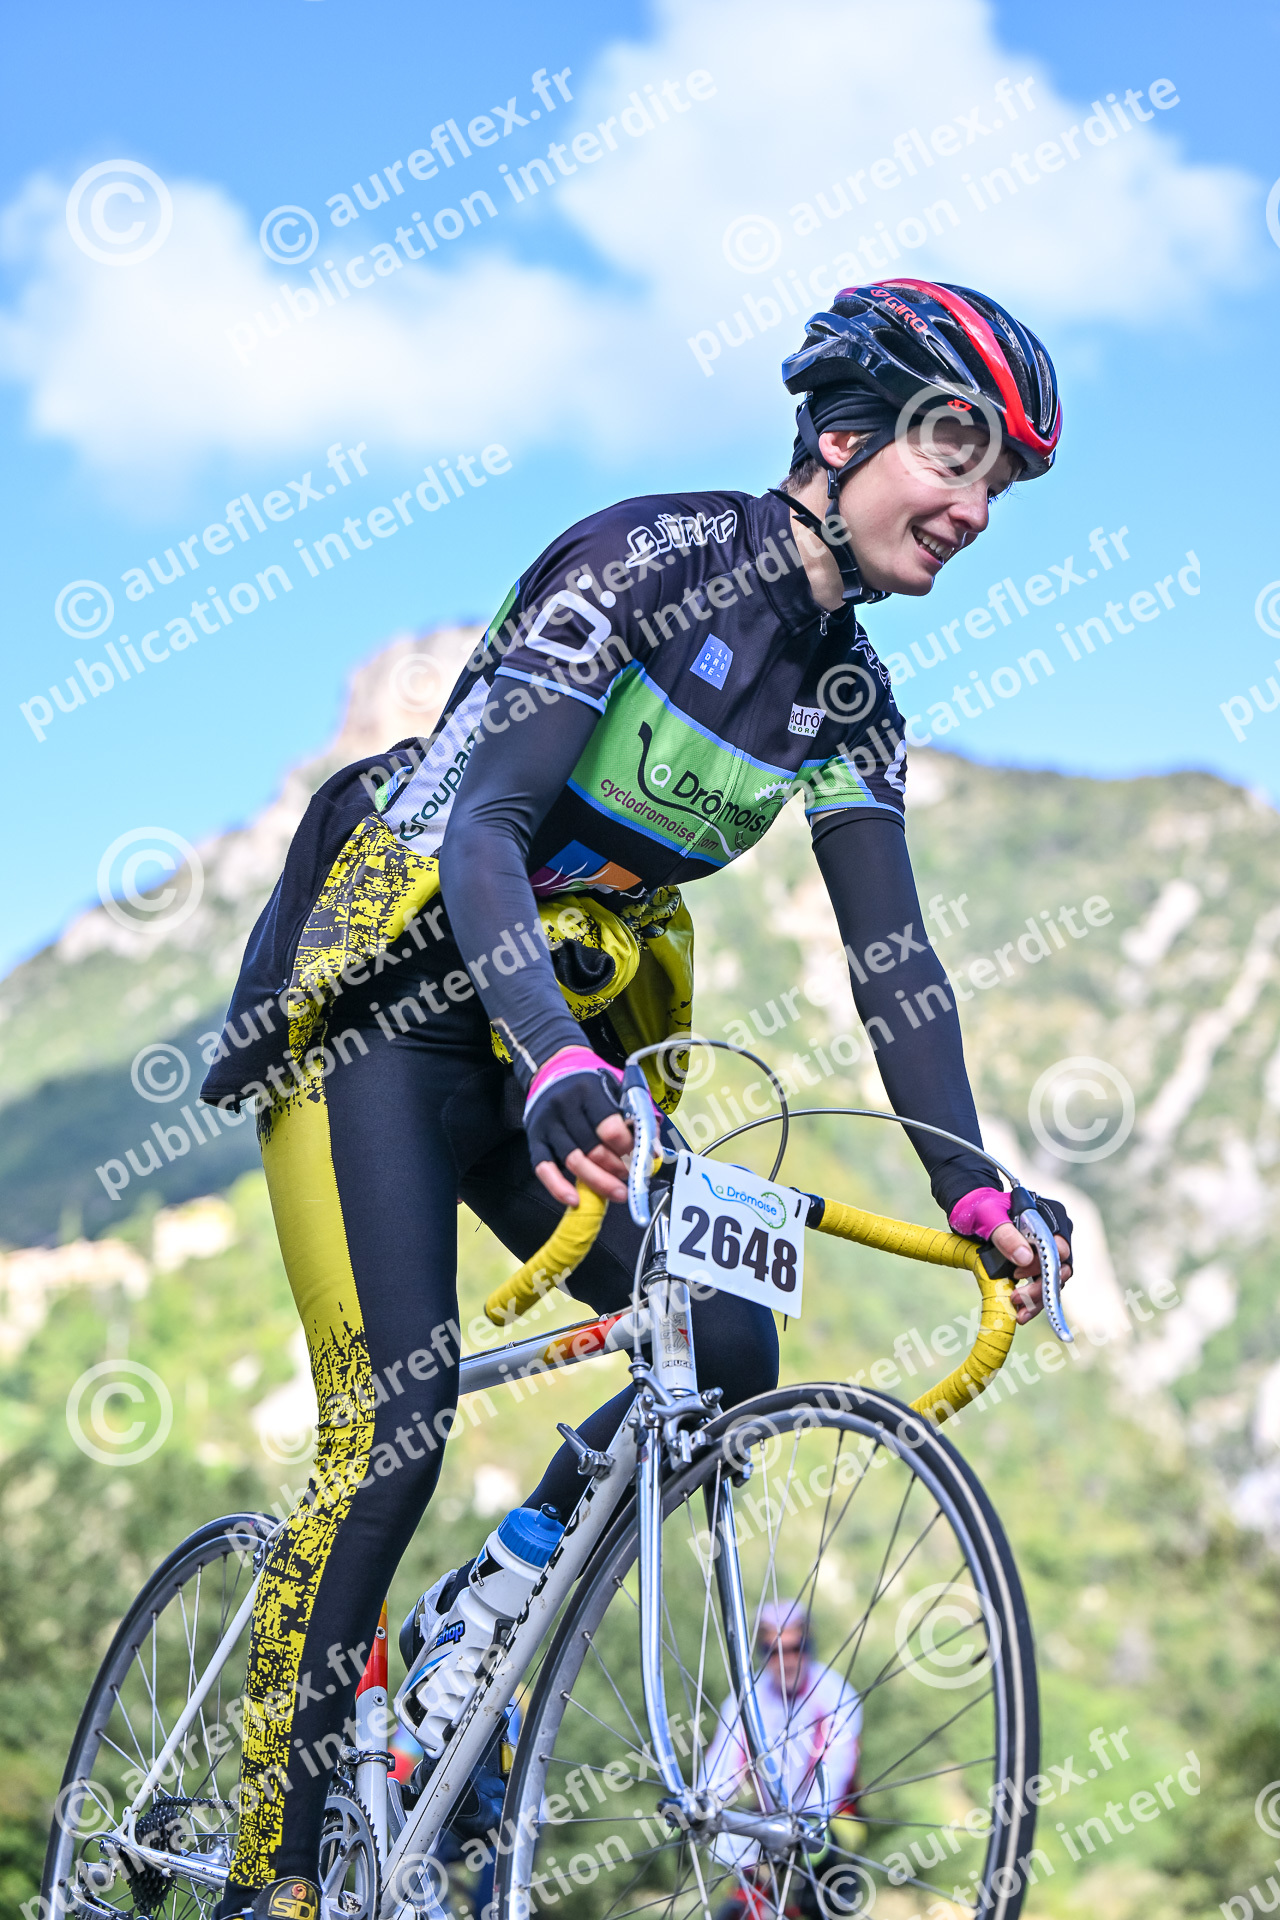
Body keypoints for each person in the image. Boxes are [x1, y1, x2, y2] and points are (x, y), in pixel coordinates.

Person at [200, 278, 1074, 1916]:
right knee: (394, 1423)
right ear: (842, 438)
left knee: (725, 1346)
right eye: (953, 453)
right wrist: (552, 1057)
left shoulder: (848, 698)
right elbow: (485, 827)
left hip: (566, 1047)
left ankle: (474, 1638)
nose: (972, 508)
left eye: (999, 484)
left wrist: (974, 1186)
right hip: (389, 1013)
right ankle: (272, 1872)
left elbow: (894, 964)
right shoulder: (650, 559)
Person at [702, 1600, 864, 1920]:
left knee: (826, 1901)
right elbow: (723, 1763)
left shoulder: (835, 1693)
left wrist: (808, 1823)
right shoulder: (747, 1698)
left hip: (830, 1817)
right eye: (773, 1652)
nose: (786, 1660)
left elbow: (837, 1766)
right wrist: (702, 1805)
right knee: (739, 1909)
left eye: (794, 1649)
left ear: (808, 1646)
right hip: (770, 1818)